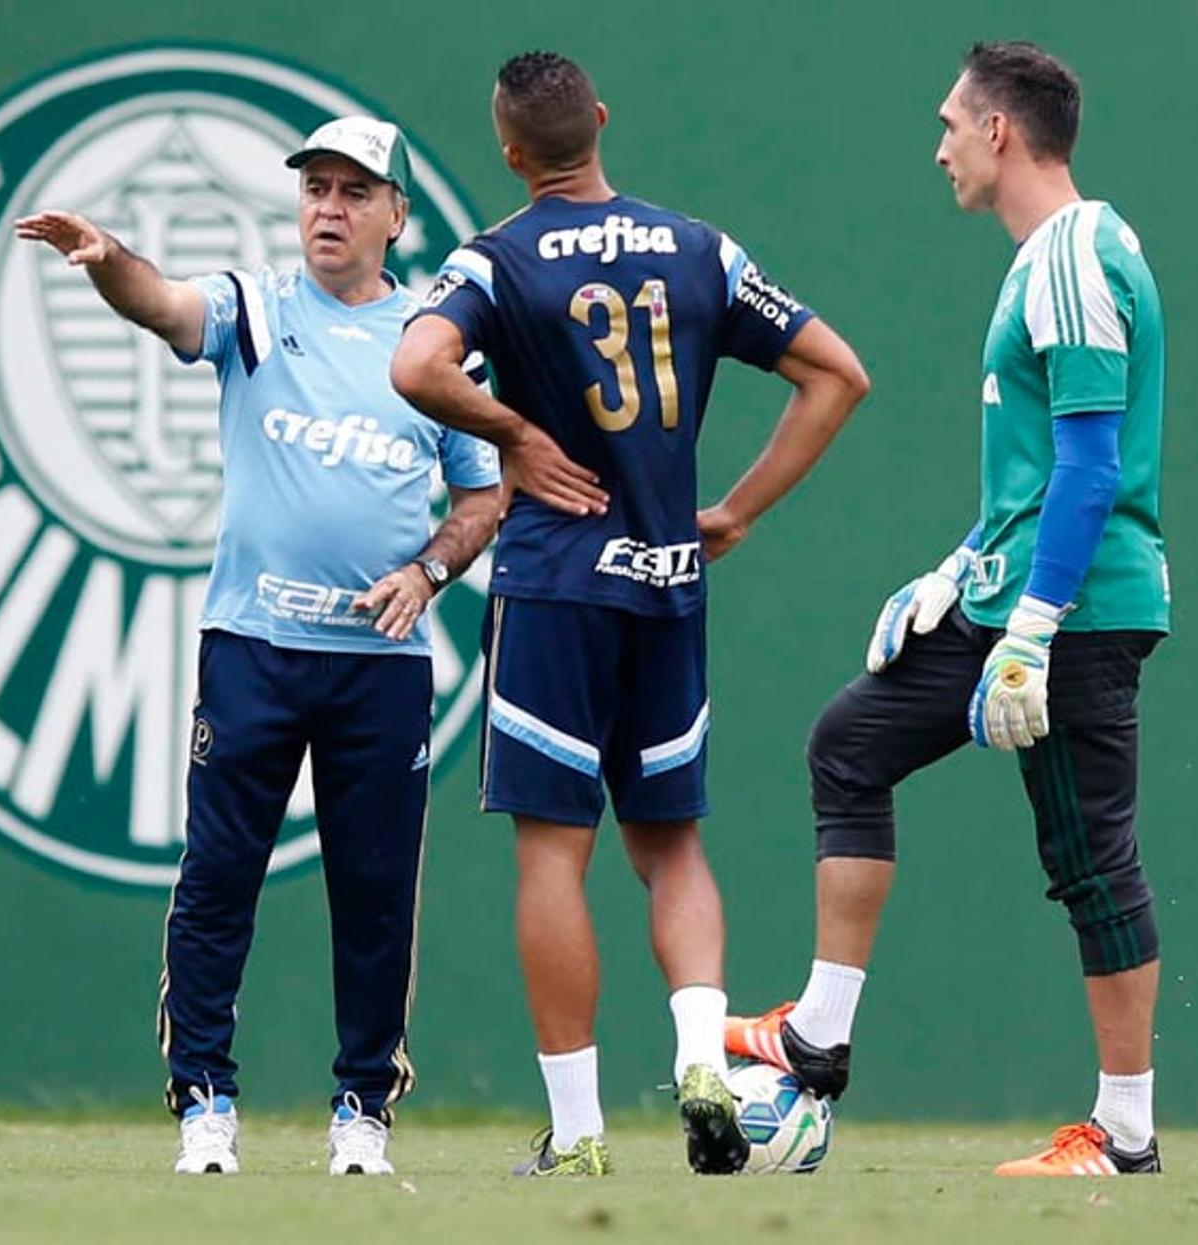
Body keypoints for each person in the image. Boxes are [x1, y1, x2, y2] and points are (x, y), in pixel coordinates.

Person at [392, 51, 870, 1176]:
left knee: (554, 857)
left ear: (509, 150)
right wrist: (739, 511)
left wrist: (513, 435)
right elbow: (839, 375)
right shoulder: (700, 249)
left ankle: (581, 1131)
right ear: (599, 122)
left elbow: (417, 365)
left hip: (557, 583)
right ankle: (704, 1054)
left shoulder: (497, 258)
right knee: (671, 846)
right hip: (666, 579)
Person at [17, 115, 500, 1178]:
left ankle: (361, 1112)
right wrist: (108, 264)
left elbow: (484, 491)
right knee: (220, 876)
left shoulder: (430, 344)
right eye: (315, 188)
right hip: (254, 647)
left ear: (395, 216)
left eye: (353, 192)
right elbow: (162, 303)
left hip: (378, 666)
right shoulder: (256, 308)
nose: (328, 209)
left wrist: (429, 571)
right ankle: (205, 1104)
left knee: (374, 893)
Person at [726, 41, 1169, 1178]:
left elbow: (1090, 465)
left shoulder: (1073, 253)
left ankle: (1123, 1137)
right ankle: (818, 1036)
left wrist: (1030, 630)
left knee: (1090, 859)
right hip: (1016, 593)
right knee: (850, 747)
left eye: (950, 125)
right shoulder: (1045, 258)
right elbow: (1033, 485)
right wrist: (957, 568)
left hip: (1071, 613)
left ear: (1001, 132)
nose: (939, 148)